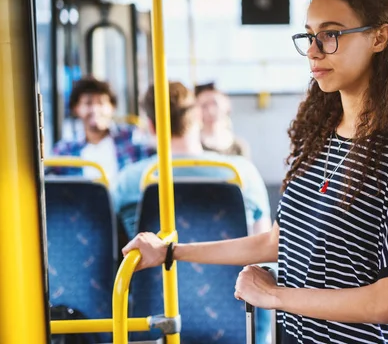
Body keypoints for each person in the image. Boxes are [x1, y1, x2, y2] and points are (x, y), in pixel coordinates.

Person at [123, 0, 388, 344]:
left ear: (380, 38)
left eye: (331, 35)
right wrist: (171, 252)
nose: (313, 51)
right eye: (309, 36)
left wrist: (273, 296)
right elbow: (281, 239)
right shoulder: (323, 132)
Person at [112, 82, 271, 240]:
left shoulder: (128, 180)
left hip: (156, 265)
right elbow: (264, 245)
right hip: (234, 265)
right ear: (198, 117)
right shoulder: (241, 172)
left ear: (151, 126)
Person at [48, 77, 153, 183]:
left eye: (101, 103)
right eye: (88, 103)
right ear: (76, 108)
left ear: (112, 107)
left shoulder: (132, 139)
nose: (95, 110)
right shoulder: (65, 151)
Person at [195, 83, 250, 157]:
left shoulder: (238, 147)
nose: (210, 111)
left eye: (215, 103)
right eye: (204, 105)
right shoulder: (192, 145)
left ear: (227, 105)